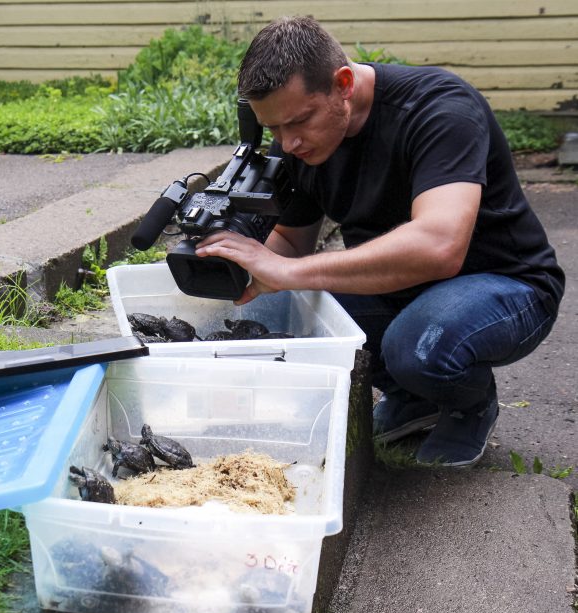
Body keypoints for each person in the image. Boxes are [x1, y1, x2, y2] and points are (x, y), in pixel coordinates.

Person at [195, 16, 565, 467]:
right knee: (292, 314)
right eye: (273, 129)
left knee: (417, 346)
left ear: (344, 83)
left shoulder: (441, 110)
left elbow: (438, 247)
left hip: (507, 285)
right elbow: (290, 246)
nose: (288, 144)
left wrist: (290, 272)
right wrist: (231, 264)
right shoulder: (298, 141)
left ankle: (469, 404)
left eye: (299, 121)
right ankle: (414, 399)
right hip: (400, 288)